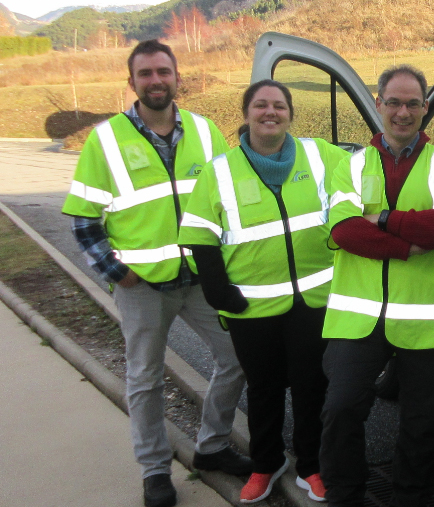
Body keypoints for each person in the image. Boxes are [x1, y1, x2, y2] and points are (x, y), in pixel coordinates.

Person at [62, 40, 250, 507]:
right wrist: (115, 270)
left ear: (177, 77)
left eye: (163, 71)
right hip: (141, 286)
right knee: (145, 379)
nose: (156, 80)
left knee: (237, 357)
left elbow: (225, 201)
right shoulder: (105, 140)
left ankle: (211, 446)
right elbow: (84, 219)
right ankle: (154, 470)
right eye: (145, 74)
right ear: (132, 83)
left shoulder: (206, 132)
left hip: (201, 282)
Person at [178, 79, 349, 504]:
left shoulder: (321, 155)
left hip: (314, 301)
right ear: (247, 113)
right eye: (260, 105)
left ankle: (311, 465)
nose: (270, 112)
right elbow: (200, 234)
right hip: (250, 307)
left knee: (313, 386)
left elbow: (363, 181)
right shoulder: (220, 169)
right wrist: (219, 293)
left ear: (290, 113)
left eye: (278, 105)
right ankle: (266, 464)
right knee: (264, 389)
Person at [318, 64, 434, 507]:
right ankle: (345, 496)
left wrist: (381, 218)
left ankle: (409, 498)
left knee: (422, 424)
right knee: (340, 409)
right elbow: (345, 231)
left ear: (425, 108)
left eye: (412, 104)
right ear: (379, 104)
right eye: (394, 103)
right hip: (358, 317)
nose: (403, 112)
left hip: (427, 321)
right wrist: (406, 246)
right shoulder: (352, 165)